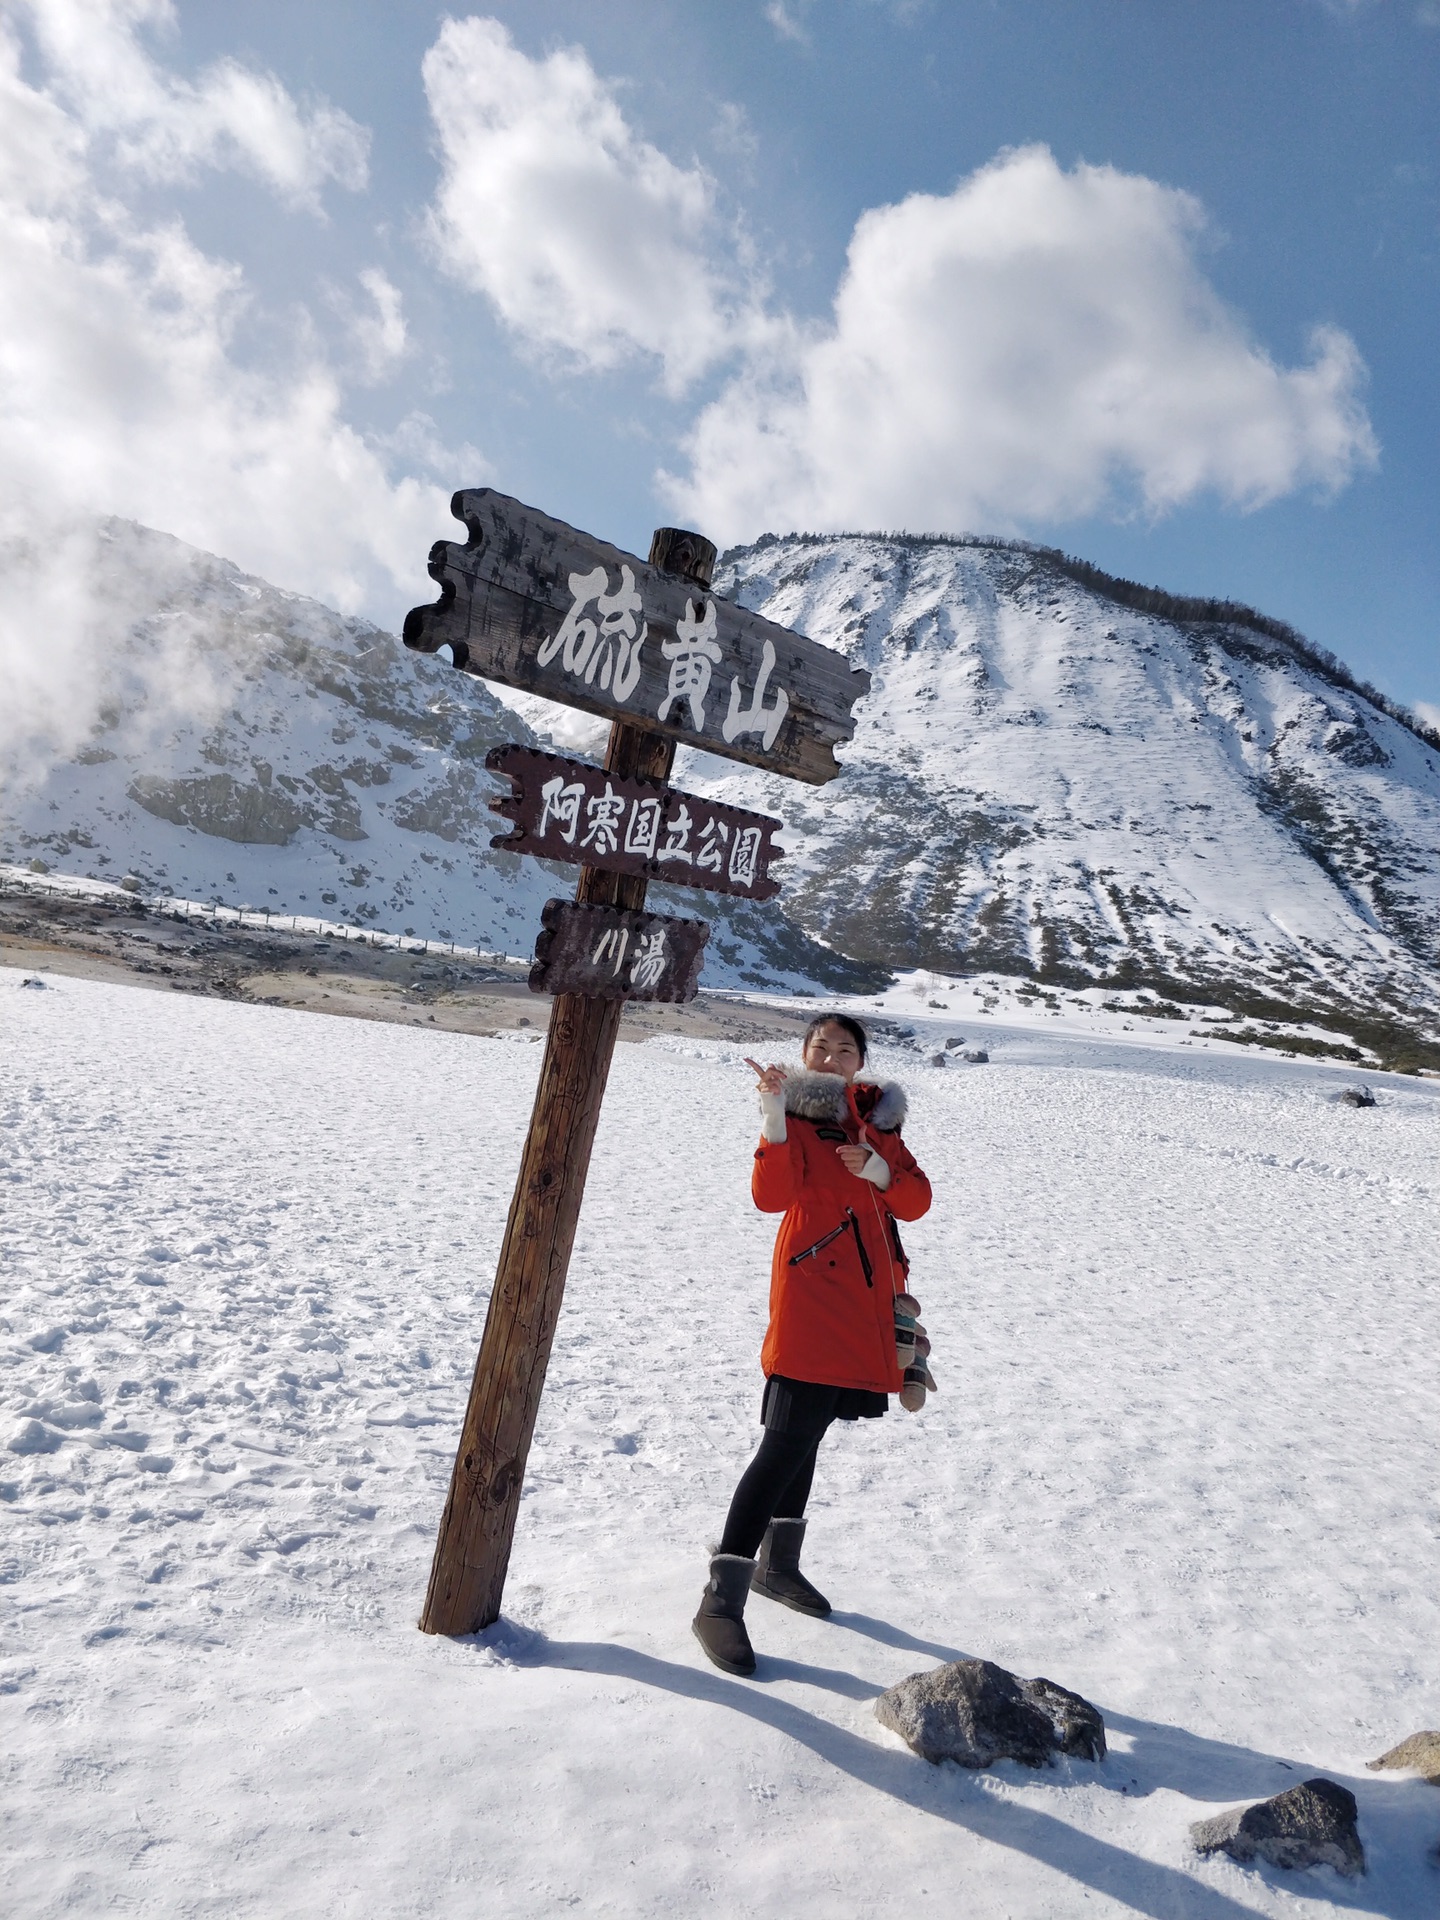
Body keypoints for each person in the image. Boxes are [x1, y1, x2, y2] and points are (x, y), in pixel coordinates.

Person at [692, 1013, 933, 1677]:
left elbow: (916, 1201)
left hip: (863, 1309)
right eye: (819, 1046)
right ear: (803, 1055)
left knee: (809, 1435)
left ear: (860, 1062)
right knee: (783, 1445)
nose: (830, 1056)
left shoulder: (878, 1124)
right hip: (810, 1304)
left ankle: (780, 1566)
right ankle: (721, 1599)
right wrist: (772, 1118)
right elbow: (770, 1196)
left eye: (843, 1048)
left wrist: (882, 1170)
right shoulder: (796, 1118)